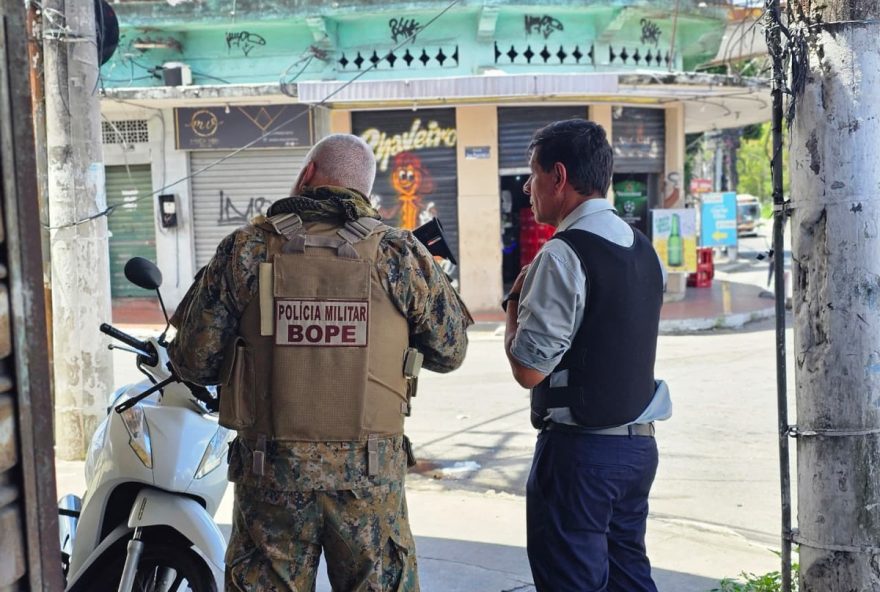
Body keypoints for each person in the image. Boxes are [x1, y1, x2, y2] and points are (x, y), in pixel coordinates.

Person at [168, 133, 472, 592]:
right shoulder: (400, 254)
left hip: (269, 475)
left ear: (307, 174)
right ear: (365, 189)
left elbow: (192, 361)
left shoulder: (245, 249)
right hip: (369, 479)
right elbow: (451, 353)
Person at [503, 119, 670, 592]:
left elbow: (530, 370)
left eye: (532, 176)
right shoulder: (643, 248)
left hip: (581, 456)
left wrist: (514, 306)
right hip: (638, 448)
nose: (528, 189)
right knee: (629, 578)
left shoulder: (561, 254)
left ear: (558, 176)